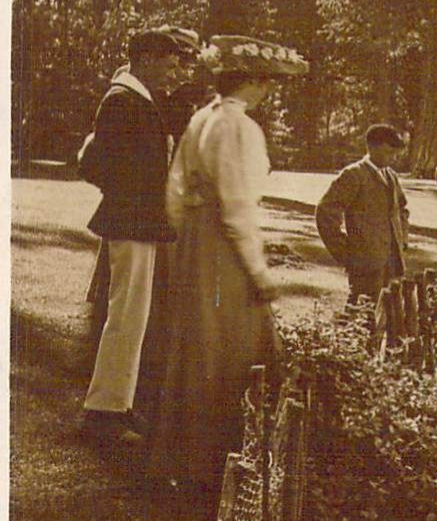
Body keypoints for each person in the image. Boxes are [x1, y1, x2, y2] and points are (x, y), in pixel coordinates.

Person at [148, 34, 308, 488]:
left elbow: (175, 191)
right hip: (222, 243)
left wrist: (184, 238)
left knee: (194, 341)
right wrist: (257, 270)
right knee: (227, 345)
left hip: (195, 242)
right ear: (255, 83)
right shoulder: (240, 127)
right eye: (267, 82)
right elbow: (238, 206)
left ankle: (185, 454)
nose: (269, 91)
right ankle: (215, 458)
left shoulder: (201, 118)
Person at [77, 29, 189, 446]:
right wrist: (133, 195)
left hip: (140, 222)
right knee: (125, 316)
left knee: (133, 317)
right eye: (169, 61)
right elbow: (94, 164)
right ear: (145, 58)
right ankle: (103, 412)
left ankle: (117, 402)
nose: (174, 70)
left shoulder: (138, 99)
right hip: (130, 221)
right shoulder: (122, 100)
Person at [316, 124, 411, 304]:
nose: (393, 158)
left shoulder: (391, 176)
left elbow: (402, 209)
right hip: (365, 262)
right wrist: (345, 252)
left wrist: (402, 238)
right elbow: (326, 211)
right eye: (388, 152)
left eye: (395, 153)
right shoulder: (354, 175)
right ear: (372, 147)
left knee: (389, 312)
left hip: (392, 261)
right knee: (360, 312)